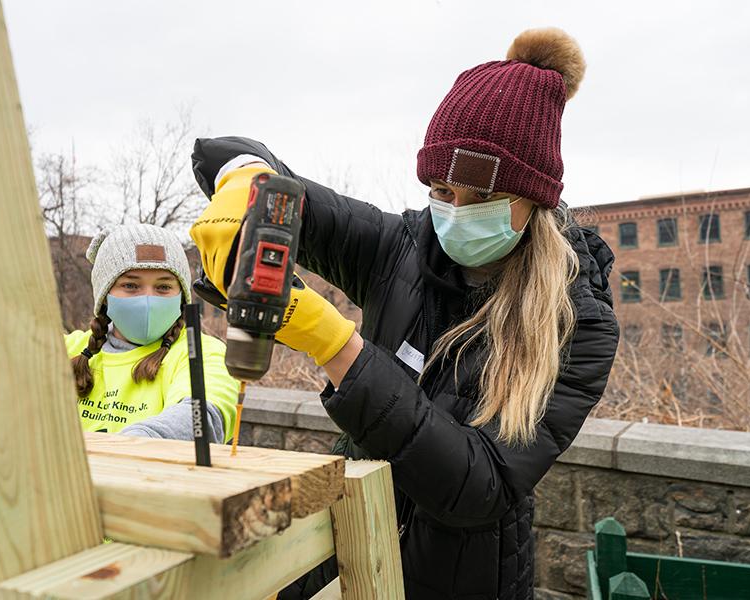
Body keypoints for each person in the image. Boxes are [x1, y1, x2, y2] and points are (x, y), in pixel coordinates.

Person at [190, 28, 619, 600]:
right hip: (345, 545)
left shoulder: (578, 322)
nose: (456, 212)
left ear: (533, 199)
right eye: (441, 190)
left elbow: (478, 487)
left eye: (482, 199)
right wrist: (246, 183)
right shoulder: (402, 249)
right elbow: (256, 172)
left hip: (457, 581)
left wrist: (336, 345)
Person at [0, 224, 240, 443]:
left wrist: (132, 446)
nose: (148, 299)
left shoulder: (200, 353)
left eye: (163, 287)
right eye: (130, 285)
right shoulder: (66, 350)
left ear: (181, 297)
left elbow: (202, 417)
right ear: (104, 297)